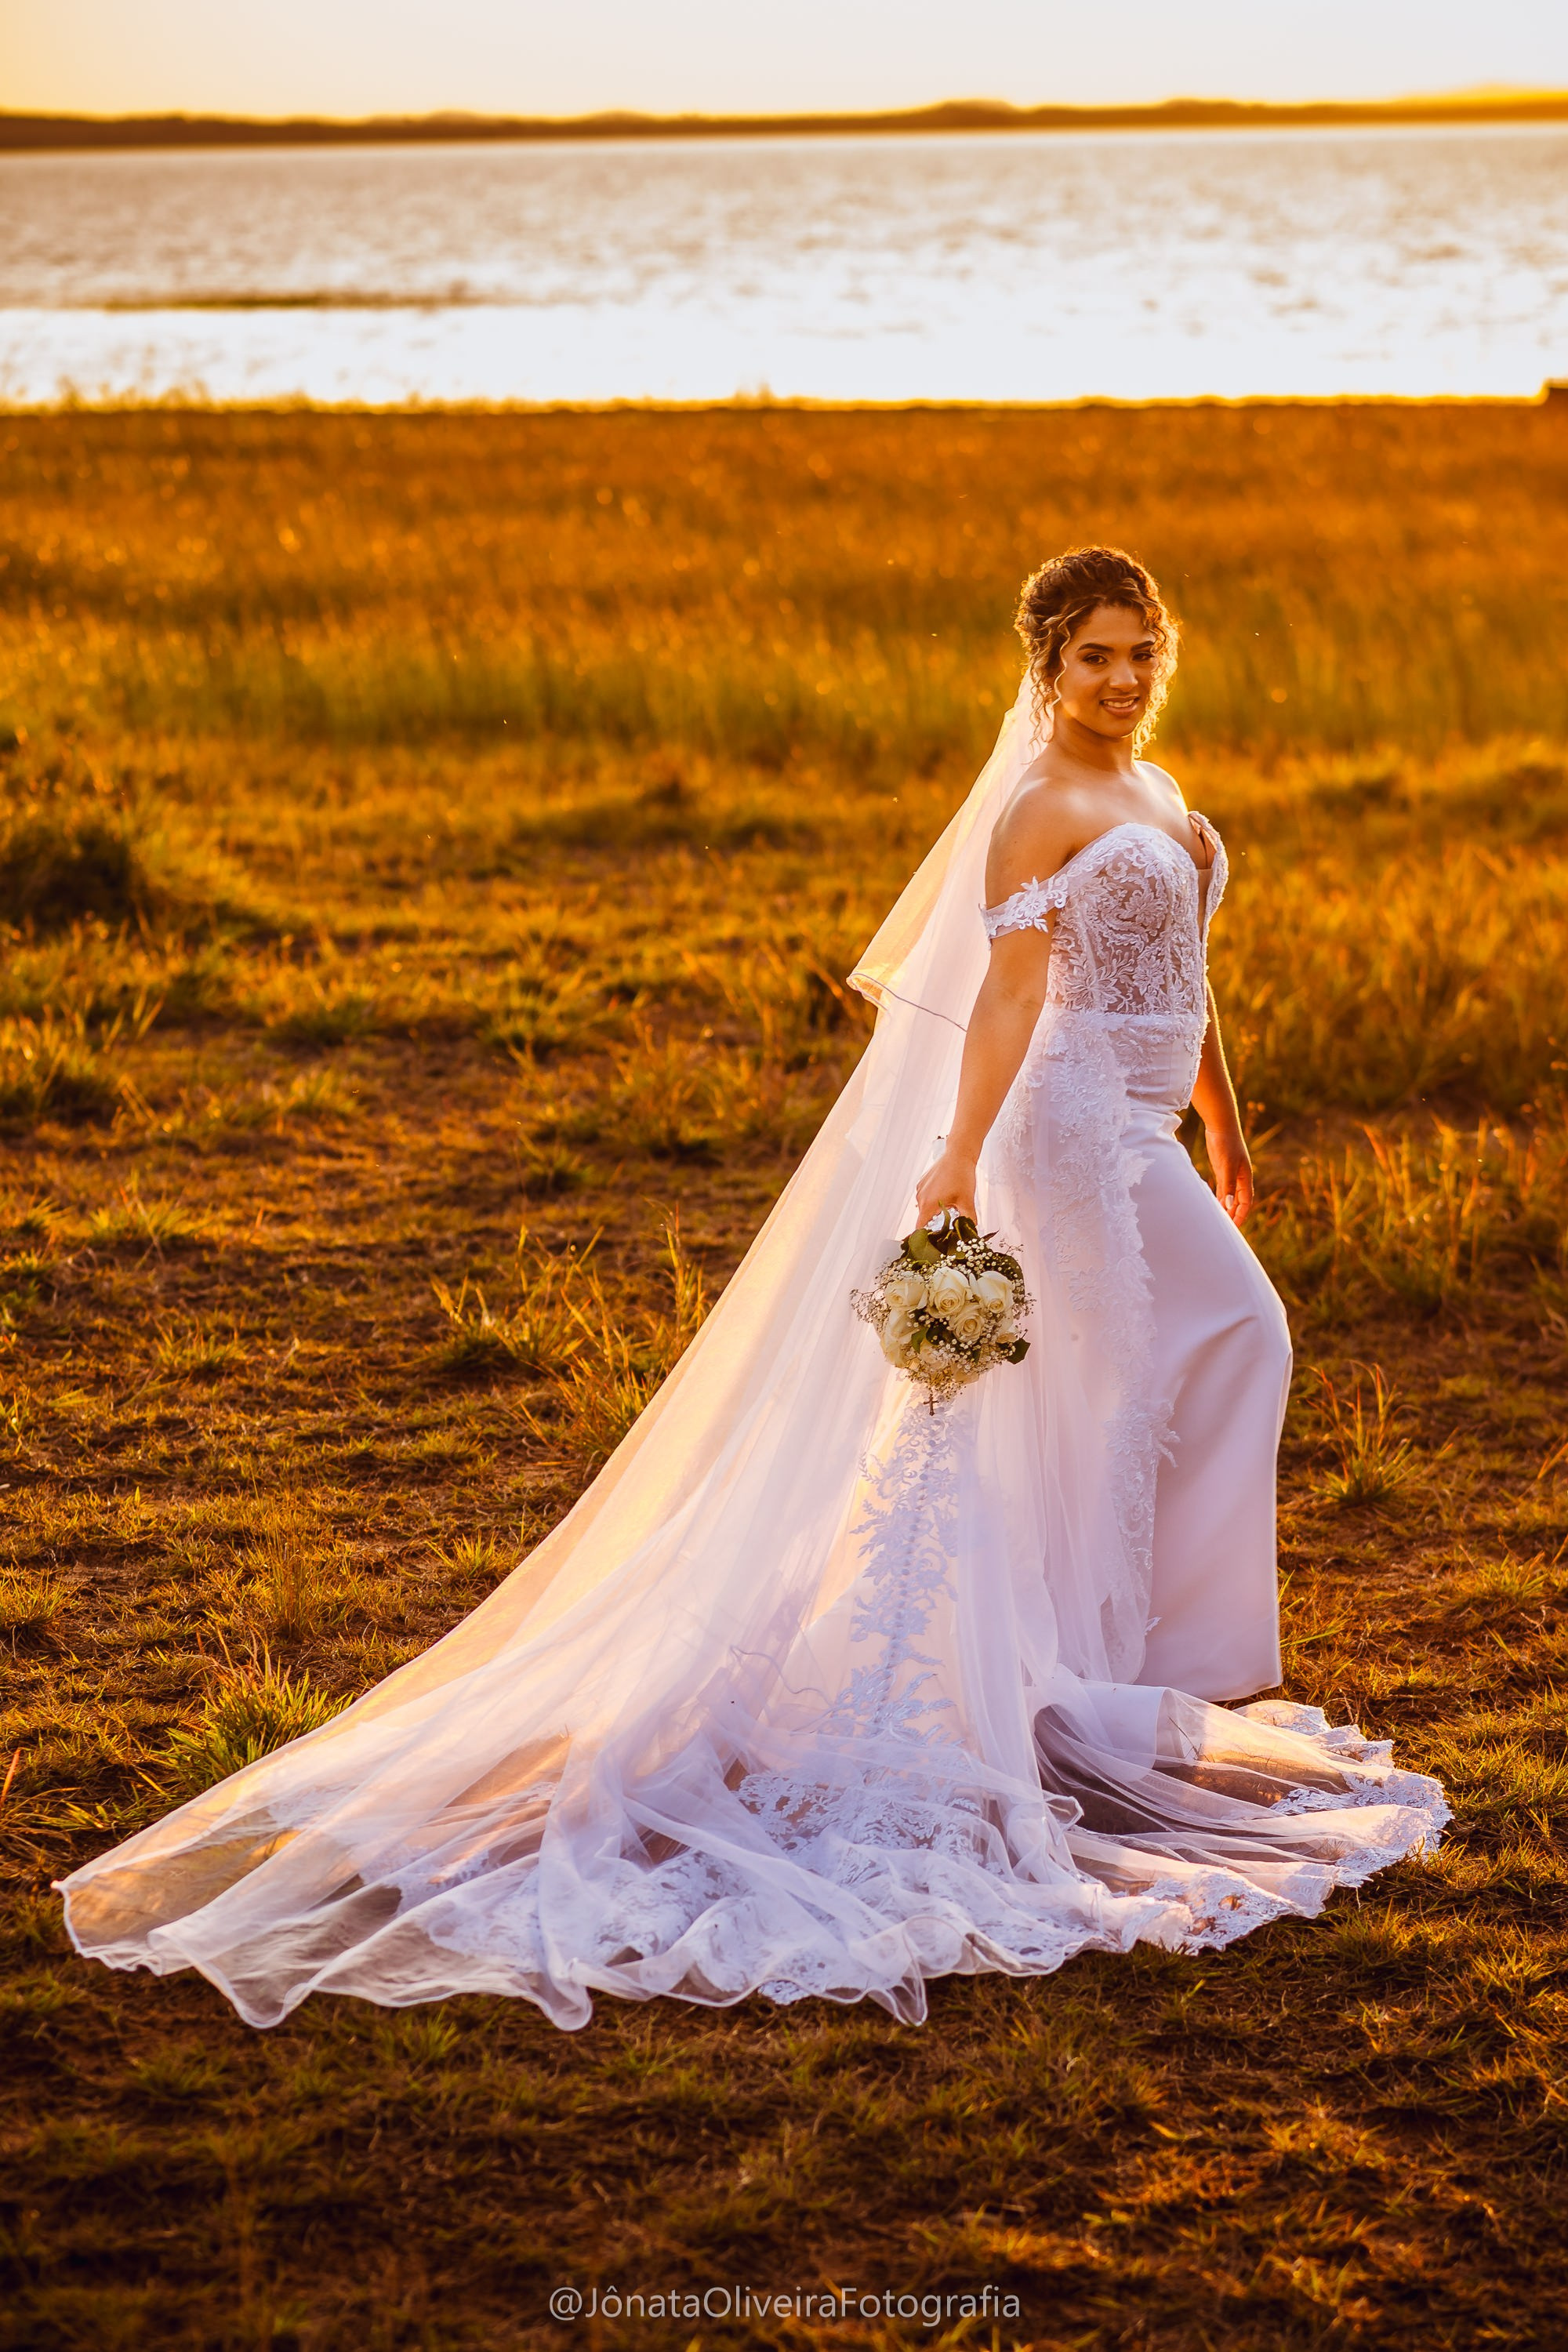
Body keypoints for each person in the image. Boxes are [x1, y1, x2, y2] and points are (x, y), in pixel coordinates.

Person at [60, 546, 1445, 2032]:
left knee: (1140, 1375)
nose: (1120, 677)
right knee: (1234, 1332)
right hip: (1075, 1130)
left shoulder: (1162, 794)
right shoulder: (1040, 806)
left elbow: (1188, 969)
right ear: (1045, 666)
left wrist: (1225, 1117)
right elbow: (1010, 998)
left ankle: (1120, 1663)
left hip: (1156, 1117)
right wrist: (957, 1160)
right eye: (1094, 655)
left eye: (1139, 652)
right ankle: (1158, 1669)